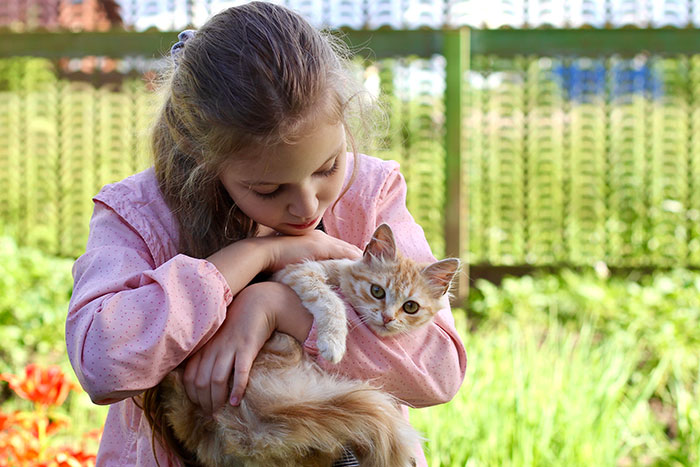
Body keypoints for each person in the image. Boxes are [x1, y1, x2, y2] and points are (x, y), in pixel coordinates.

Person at [65, 2, 467, 465]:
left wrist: (276, 306)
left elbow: (439, 373)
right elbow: (103, 363)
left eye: (327, 167)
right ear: (203, 159)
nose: (308, 205)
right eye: (269, 189)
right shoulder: (140, 212)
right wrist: (253, 256)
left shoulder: (370, 193)